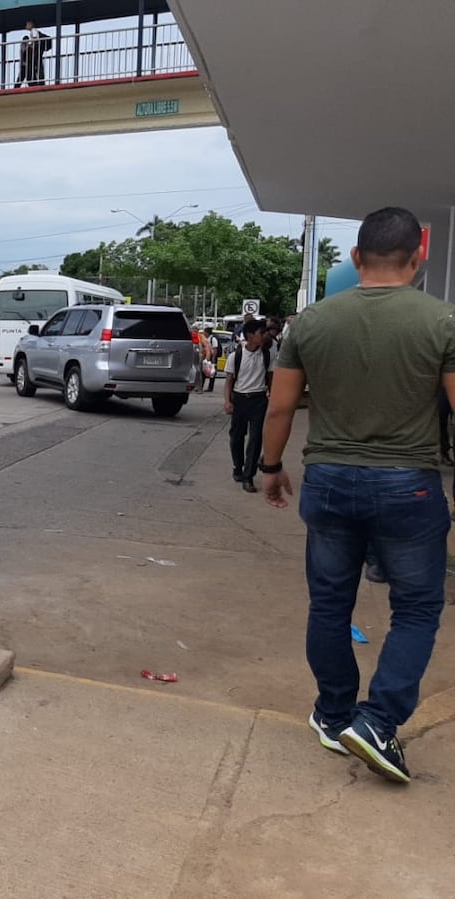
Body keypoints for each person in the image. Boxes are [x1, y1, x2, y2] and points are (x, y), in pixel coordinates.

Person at [262, 206, 455, 784]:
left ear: (355, 258)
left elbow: (279, 406)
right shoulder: (443, 320)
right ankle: (377, 720)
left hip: (327, 480)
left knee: (329, 603)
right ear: (418, 261)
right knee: (418, 607)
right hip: (408, 484)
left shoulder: (311, 323)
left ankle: (335, 713)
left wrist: (270, 466)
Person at [224, 319, 272, 493]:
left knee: (255, 438)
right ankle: (238, 466)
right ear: (251, 336)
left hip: (259, 400)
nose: (264, 336)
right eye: (261, 333)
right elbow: (229, 381)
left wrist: (271, 396)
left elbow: (270, 377)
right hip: (240, 399)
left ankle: (248, 476)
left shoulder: (267, 355)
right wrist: (228, 401)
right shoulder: (235, 356)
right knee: (236, 437)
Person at [202, 326, 221, 392]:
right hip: (206, 357)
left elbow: (215, 349)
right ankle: (201, 386)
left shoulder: (213, 339)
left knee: (212, 373)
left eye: (204, 332)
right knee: (204, 372)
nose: (204, 333)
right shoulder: (205, 339)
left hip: (212, 358)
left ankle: (210, 388)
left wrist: (213, 358)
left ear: (207, 333)